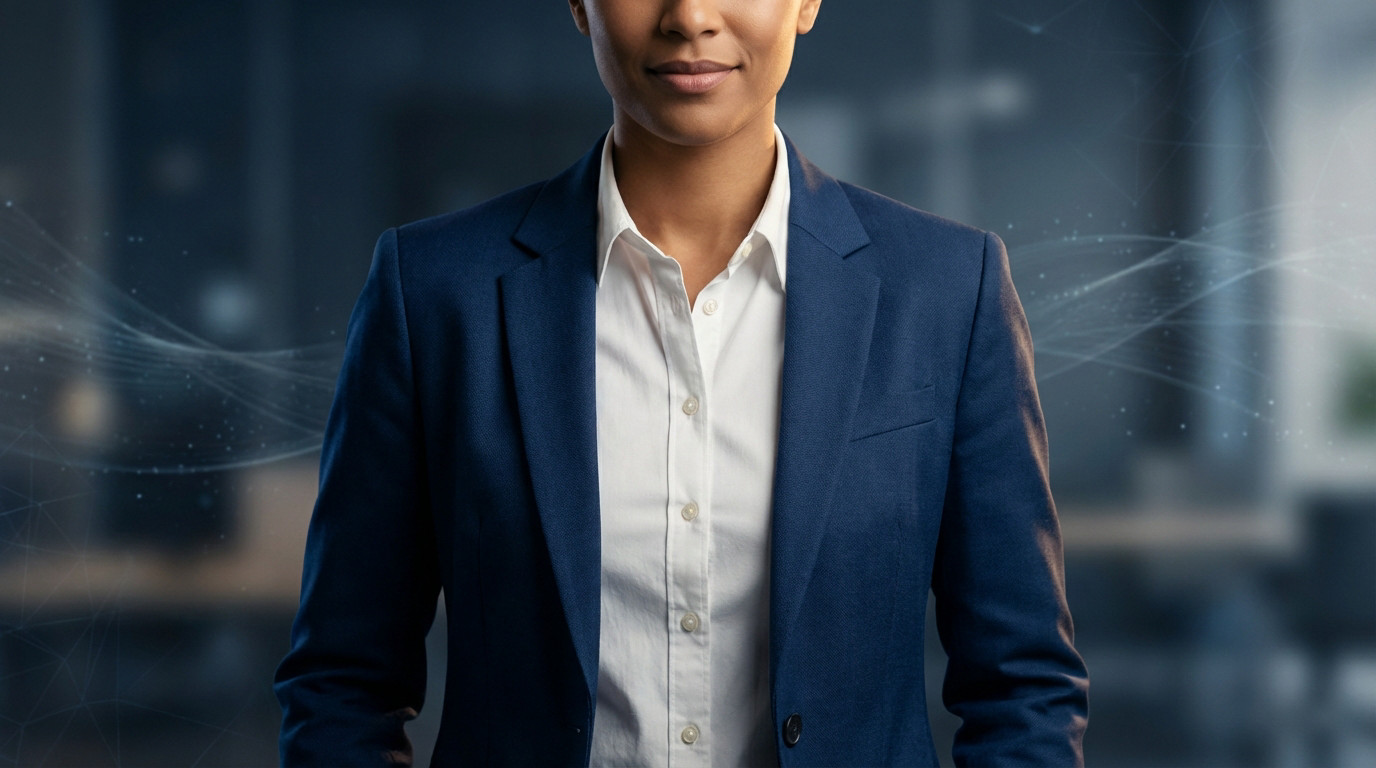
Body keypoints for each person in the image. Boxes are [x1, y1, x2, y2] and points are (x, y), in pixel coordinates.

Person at [273, 0, 1090, 765]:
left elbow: (1022, 687)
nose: (689, 18)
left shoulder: (946, 288)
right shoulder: (434, 292)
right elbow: (344, 679)